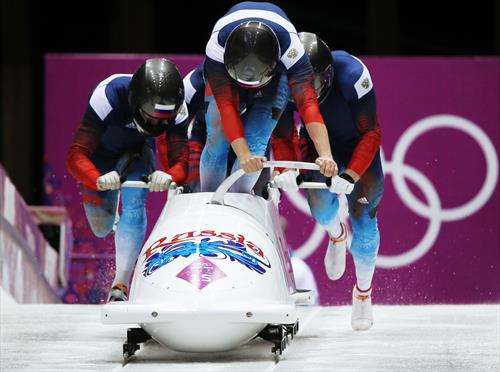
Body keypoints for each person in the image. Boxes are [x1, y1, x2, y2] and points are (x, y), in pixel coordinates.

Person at [273, 32, 384, 330]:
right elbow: (282, 133)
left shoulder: (353, 74)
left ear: (329, 75)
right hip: (319, 147)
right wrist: (283, 168)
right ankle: (336, 235)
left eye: (316, 85)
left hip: (359, 147)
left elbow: (371, 132)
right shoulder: (283, 82)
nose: (308, 94)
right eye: (302, 88)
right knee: (321, 208)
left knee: (364, 225)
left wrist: (351, 174)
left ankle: (363, 292)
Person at [66, 58, 189, 302]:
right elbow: (75, 156)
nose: (156, 124)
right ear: (135, 102)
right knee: (100, 228)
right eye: (150, 117)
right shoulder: (107, 97)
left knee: (135, 202)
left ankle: (120, 284)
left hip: (137, 153)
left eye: (163, 120)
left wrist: (169, 176)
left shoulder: (178, 109)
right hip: (101, 160)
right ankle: (117, 223)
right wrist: (97, 178)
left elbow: (181, 163)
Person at [201, 1, 337, 193]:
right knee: (216, 137)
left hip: (274, 79)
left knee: (257, 140)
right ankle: (209, 204)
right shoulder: (216, 47)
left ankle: (241, 199)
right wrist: (243, 155)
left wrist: (326, 155)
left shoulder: (292, 52)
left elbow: (308, 105)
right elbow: (227, 106)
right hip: (226, 75)